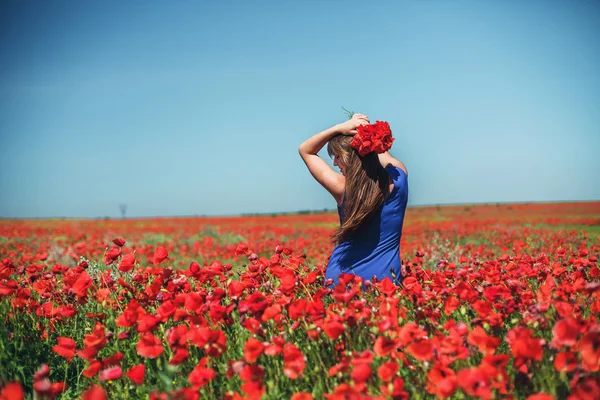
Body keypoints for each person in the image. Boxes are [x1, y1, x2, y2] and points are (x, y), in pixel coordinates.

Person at [298, 113, 409, 287]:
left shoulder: (342, 188)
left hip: (342, 282)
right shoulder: (398, 178)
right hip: (385, 283)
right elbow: (381, 153)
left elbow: (305, 150)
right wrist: (367, 132)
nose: (335, 163)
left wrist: (339, 128)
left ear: (351, 157)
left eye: (337, 155)